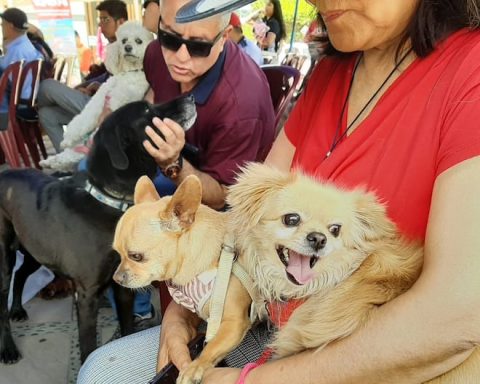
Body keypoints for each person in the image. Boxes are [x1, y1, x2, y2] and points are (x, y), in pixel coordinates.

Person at [81, 0, 480, 383]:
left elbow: (455, 316)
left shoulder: (469, 74)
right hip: (271, 316)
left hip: (381, 355)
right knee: (102, 371)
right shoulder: (330, 75)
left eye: (198, 44)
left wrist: (253, 380)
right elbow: (241, 219)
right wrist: (184, 311)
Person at [76, 0, 275, 381]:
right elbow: (150, 98)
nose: (180, 56)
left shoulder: (241, 101)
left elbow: (220, 197)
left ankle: (162, 302)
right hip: (168, 175)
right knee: (92, 175)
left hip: (223, 209)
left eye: (198, 46)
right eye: (170, 38)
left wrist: (173, 162)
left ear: (224, 37)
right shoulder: (155, 55)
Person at [37, 0, 127, 152]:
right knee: (47, 114)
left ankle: (28, 115)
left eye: (105, 20)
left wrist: (97, 88)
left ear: (121, 22)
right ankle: (69, 168)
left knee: (47, 86)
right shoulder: (112, 47)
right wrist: (84, 86)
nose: (100, 25)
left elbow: (125, 84)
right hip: (95, 102)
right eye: (100, 20)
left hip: (109, 109)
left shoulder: (128, 46)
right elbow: (107, 75)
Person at [0, 8, 42, 130]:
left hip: (17, 104)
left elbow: (6, 81)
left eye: (3, 25)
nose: (2, 28)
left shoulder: (16, 51)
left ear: (10, 26)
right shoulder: (25, 45)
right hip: (28, 99)